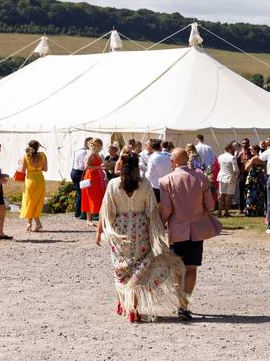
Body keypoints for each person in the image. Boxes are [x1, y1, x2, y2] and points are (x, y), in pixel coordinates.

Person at [95, 151, 187, 323]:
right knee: (138, 270)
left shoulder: (113, 184)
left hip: (119, 231)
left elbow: (105, 211)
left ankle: (124, 304)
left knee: (121, 269)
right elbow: (152, 210)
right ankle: (132, 307)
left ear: (121, 166)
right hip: (140, 230)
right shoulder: (144, 185)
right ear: (138, 167)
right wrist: (158, 230)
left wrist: (99, 231)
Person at [158, 147, 218, 319]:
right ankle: (185, 304)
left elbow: (167, 209)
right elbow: (211, 206)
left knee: (178, 269)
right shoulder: (201, 178)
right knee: (191, 268)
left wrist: (160, 224)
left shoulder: (166, 181)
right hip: (197, 230)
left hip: (177, 231)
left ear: (173, 162)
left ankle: (180, 303)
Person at [18, 140, 47, 232]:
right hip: (40, 179)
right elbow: (45, 169)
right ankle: (31, 223)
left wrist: (19, 163)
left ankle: (33, 223)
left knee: (29, 201)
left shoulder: (26, 156)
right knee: (37, 202)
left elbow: (22, 170)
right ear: (38, 147)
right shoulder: (43, 155)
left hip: (30, 179)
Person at [81, 138, 107, 227]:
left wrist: (103, 166)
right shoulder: (91, 154)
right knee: (90, 197)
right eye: (99, 146)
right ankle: (89, 219)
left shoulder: (96, 154)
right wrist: (99, 166)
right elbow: (86, 166)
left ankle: (97, 218)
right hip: (91, 177)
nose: (101, 147)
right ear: (96, 146)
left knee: (98, 196)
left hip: (97, 177)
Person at [213, 142, 239, 217]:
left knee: (221, 194)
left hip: (221, 176)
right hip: (230, 177)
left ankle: (219, 211)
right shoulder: (232, 157)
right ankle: (226, 212)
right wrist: (237, 175)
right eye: (233, 148)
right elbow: (235, 169)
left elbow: (219, 166)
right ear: (230, 149)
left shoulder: (220, 156)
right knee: (228, 195)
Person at [70, 137, 92, 220]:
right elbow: (84, 165)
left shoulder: (78, 150)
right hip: (78, 173)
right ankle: (78, 213)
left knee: (78, 193)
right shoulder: (83, 152)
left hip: (75, 171)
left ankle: (78, 212)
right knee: (80, 193)